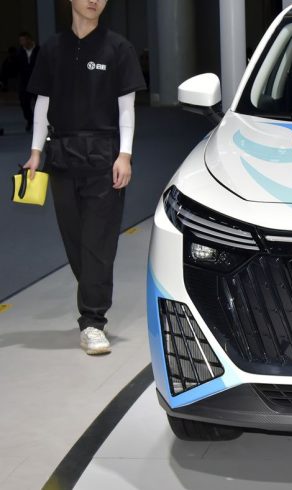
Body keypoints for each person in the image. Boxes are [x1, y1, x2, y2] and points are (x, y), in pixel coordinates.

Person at [21, 0, 147, 355]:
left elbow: (126, 107)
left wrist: (125, 155)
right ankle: (92, 294)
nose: (94, 1)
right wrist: (36, 152)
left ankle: (93, 321)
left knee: (98, 243)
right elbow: (42, 103)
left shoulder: (119, 48)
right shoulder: (52, 49)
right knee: (75, 241)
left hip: (105, 158)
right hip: (61, 157)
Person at [17, 32, 40, 132]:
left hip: (38, 83)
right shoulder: (19, 52)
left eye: (24, 40)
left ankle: (43, 123)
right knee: (24, 103)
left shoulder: (39, 50)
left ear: (29, 39)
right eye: (20, 41)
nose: (22, 43)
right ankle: (30, 120)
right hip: (24, 83)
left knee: (41, 104)